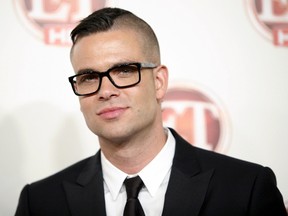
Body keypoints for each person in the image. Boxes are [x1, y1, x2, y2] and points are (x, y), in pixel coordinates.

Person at [15, 7, 287, 216]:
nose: (105, 91)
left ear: (159, 83)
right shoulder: (40, 201)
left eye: (124, 71)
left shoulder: (246, 189)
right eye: (88, 77)